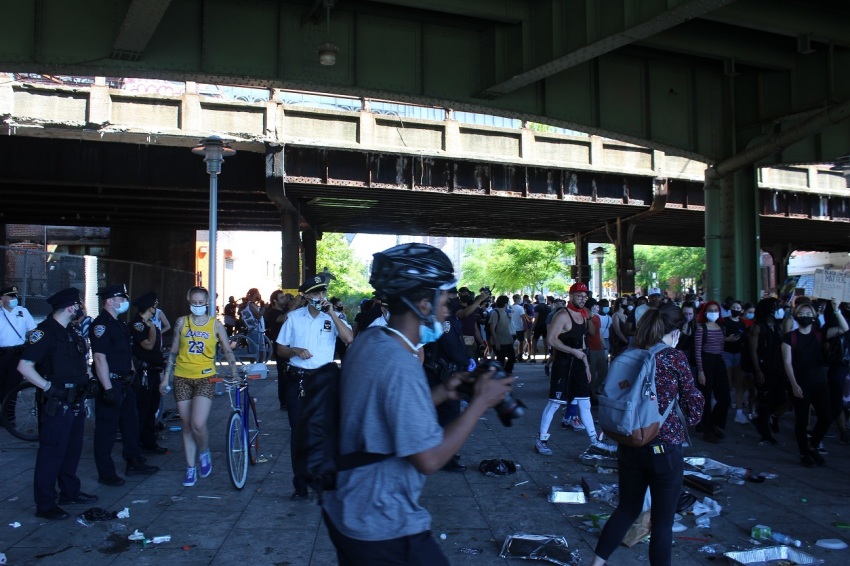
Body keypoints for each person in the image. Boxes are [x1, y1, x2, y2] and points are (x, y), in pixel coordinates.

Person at [321, 243, 514, 565]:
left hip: (347, 506)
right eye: (444, 300)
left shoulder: (370, 341)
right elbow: (428, 459)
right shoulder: (400, 362)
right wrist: (480, 402)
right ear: (423, 304)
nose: (448, 310)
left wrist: (442, 392)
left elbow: (384, 410)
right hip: (383, 521)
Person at [591, 307, 704, 566]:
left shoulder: (629, 353)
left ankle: (595, 564)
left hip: (629, 442)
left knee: (626, 509)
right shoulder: (674, 357)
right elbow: (694, 410)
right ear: (675, 333)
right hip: (664, 449)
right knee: (662, 524)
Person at [17, 288, 99, 520]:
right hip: (57, 401)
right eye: (79, 304)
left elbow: (81, 361)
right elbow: (24, 367)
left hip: (76, 399)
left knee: (72, 450)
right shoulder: (45, 333)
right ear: (72, 307)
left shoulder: (71, 331)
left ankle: (69, 492)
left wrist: (90, 379)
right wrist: (49, 388)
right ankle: (45, 504)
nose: (81, 308)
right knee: (52, 452)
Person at [276, 273, 353, 500]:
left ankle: (324, 478)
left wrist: (333, 314)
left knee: (327, 429)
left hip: (324, 380)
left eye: (323, 292)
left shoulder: (333, 316)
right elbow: (280, 349)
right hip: (298, 380)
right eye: (315, 293)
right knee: (298, 432)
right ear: (305, 296)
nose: (320, 296)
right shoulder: (294, 318)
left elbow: (349, 339)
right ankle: (300, 484)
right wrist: (295, 350)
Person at [161, 286, 238, 486]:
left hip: (205, 377)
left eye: (200, 303)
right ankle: (190, 468)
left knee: (198, 423)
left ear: (207, 302)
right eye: (193, 303)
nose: (197, 306)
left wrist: (234, 372)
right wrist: (165, 376)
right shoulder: (182, 322)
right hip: (182, 377)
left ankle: (204, 452)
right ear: (189, 301)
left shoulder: (215, 325)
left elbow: (227, 350)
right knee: (186, 426)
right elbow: (174, 350)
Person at [91, 284, 159, 486]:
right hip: (110, 382)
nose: (124, 302)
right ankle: (106, 473)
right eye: (121, 299)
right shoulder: (101, 325)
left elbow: (127, 353)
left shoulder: (119, 323)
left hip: (125, 381)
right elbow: (100, 358)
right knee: (106, 431)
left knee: (131, 424)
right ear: (111, 301)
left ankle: (133, 461)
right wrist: (107, 388)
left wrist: (132, 374)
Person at [537, 282, 610, 455]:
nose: (583, 299)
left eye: (585, 296)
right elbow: (552, 339)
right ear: (570, 296)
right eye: (579, 296)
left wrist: (585, 366)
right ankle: (541, 440)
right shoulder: (562, 315)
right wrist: (572, 352)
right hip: (563, 365)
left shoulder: (584, 316)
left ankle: (594, 442)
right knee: (555, 403)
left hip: (578, 365)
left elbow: (584, 342)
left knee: (585, 403)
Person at [782, 299, 848, 467]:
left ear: (814, 317)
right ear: (796, 317)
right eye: (802, 314)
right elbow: (787, 363)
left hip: (819, 382)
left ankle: (813, 445)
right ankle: (804, 452)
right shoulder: (790, 337)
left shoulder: (819, 334)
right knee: (802, 420)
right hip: (799, 383)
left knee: (825, 417)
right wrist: (794, 385)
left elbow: (844, 328)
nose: (805, 316)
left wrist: (836, 310)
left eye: (808, 314)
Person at [129, 292, 167, 454]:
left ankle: (149, 442)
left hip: (153, 371)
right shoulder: (138, 325)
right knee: (143, 409)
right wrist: (152, 328)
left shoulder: (148, 323)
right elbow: (148, 345)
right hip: (143, 374)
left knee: (153, 408)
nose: (155, 308)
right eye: (154, 305)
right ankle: (137, 444)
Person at [747, 297, 785, 445]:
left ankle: (773, 417)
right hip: (764, 367)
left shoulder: (776, 325)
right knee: (764, 401)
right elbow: (753, 351)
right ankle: (765, 432)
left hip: (777, 367)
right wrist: (757, 370)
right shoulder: (758, 327)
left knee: (780, 397)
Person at [694, 301, 731, 443]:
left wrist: (723, 366)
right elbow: (697, 351)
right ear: (705, 312)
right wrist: (701, 371)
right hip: (706, 361)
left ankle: (716, 423)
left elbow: (722, 348)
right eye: (710, 310)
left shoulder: (721, 328)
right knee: (706, 398)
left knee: (725, 397)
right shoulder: (701, 329)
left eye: (716, 310)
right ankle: (707, 429)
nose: (714, 312)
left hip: (718, 362)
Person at [1, 286, 37, 425]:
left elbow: (32, 330)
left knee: (12, 386)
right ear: (2, 298)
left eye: (15, 296)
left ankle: (9, 418)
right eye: (10, 297)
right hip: (1, 354)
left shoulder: (22, 312)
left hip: (16, 353)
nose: (13, 299)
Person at [264, 290, 293, 410]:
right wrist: (294, 306)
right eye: (281, 298)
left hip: (290, 345)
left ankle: (291, 398)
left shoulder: (287, 309)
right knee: (283, 374)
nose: (284, 299)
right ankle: (284, 402)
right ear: (274, 300)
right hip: (279, 346)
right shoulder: (272, 312)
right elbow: (282, 319)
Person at [488, 295, 516, 373]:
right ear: (505, 303)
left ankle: (505, 373)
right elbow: (492, 328)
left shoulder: (506, 312)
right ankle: (501, 375)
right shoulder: (495, 313)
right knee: (501, 359)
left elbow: (511, 313)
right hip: (499, 341)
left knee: (512, 358)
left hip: (507, 340)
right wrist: (496, 341)